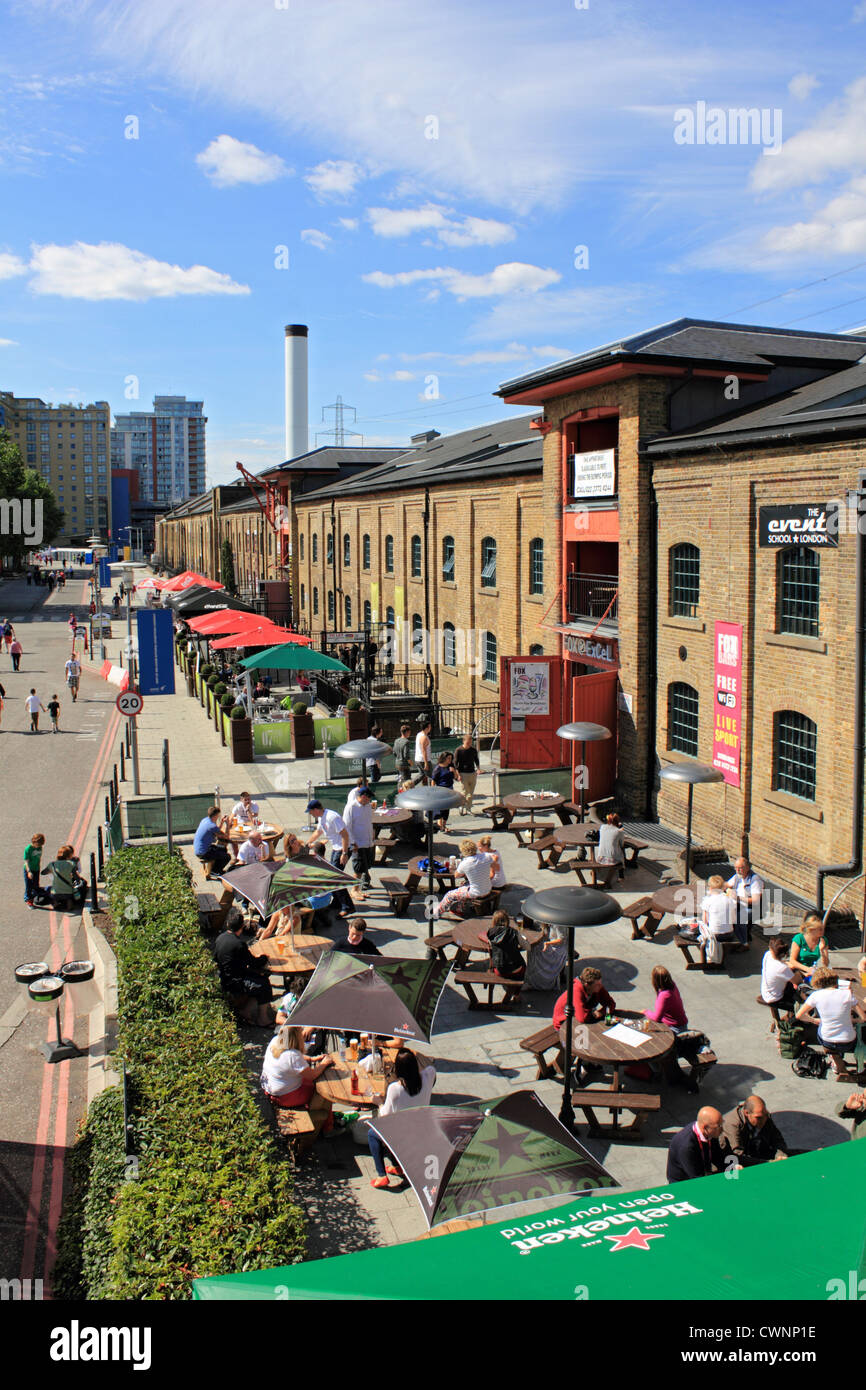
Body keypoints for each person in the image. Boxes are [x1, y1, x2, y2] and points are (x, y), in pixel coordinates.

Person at [368, 1048, 437, 1188]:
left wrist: (379, 1102)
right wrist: (414, 1053)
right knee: (392, 1129)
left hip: (402, 1133)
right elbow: (430, 1063)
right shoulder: (429, 1075)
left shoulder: (395, 1089)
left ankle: (382, 1175)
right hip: (422, 1128)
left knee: (372, 1134)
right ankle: (399, 1167)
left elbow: (384, 1115)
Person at [260, 1025, 333, 1153]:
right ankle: (327, 1127)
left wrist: (310, 1059)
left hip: (271, 1090)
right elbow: (313, 1074)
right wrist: (324, 1064)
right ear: (296, 1036)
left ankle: (325, 1120)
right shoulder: (292, 1056)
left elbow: (295, 1058)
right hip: (286, 1097)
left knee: (312, 1084)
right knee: (323, 1091)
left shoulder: (275, 1041)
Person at [796, 968, 866, 1079]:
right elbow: (863, 1018)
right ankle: (849, 1062)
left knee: (823, 1029)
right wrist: (851, 1020)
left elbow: (799, 1015)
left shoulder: (816, 995)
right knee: (852, 1032)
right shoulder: (847, 994)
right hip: (848, 1041)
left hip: (827, 1040)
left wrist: (815, 1020)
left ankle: (836, 1062)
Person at [214, 918, 274, 1026]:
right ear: (241, 927)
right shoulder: (239, 944)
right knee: (264, 984)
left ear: (228, 924)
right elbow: (254, 963)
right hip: (235, 981)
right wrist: (264, 957)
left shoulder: (220, 938)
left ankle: (245, 1012)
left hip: (223, 976)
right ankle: (262, 1019)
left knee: (259, 977)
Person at [305, 799, 353, 915]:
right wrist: (307, 843)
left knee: (334, 877)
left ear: (316, 810)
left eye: (311, 812)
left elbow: (345, 835)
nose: (311, 815)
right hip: (336, 848)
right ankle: (337, 902)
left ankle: (347, 906)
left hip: (342, 849)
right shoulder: (321, 818)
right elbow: (318, 832)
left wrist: (344, 853)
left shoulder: (332, 817)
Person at [666, 1107, 733, 1182]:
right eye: (719, 1126)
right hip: (683, 1183)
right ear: (705, 1127)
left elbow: (717, 1157)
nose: (722, 1129)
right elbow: (696, 1178)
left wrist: (732, 1167)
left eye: (722, 1124)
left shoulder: (711, 1133)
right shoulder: (686, 1147)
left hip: (702, 1172)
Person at [722, 1096, 789, 1167]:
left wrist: (780, 1156)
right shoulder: (732, 1125)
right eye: (759, 1118)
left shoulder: (763, 1116)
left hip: (761, 1154)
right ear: (746, 1113)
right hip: (740, 1162)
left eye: (765, 1115)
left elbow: (777, 1140)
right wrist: (767, 1163)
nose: (763, 1121)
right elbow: (738, 1155)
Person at [433, 839, 493, 918]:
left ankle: (437, 912)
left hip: (477, 892)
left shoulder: (465, 863)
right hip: (488, 888)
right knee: (463, 886)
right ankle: (459, 909)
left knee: (449, 895)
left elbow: (456, 875)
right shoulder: (486, 856)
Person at [552, 966, 616, 1030]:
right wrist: (594, 1013)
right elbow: (582, 1018)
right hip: (564, 1024)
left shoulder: (597, 988)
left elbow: (611, 1003)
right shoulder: (576, 990)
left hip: (580, 1019)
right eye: (597, 984)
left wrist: (601, 1012)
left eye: (600, 983)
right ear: (587, 985)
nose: (600, 986)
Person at [343, 785, 376, 895]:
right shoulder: (351, 807)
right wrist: (352, 843)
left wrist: (372, 835)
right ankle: (354, 890)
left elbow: (368, 822)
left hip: (368, 841)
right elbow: (347, 826)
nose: (369, 800)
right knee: (358, 868)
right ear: (362, 797)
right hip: (358, 843)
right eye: (368, 798)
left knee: (365, 866)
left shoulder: (367, 806)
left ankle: (359, 889)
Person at [726, 856, 764, 945]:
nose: (737, 870)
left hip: (752, 908)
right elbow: (727, 884)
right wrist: (716, 886)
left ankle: (744, 942)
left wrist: (738, 898)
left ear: (747, 868)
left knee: (738, 918)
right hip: (738, 904)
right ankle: (733, 936)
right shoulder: (737, 876)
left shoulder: (755, 880)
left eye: (740, 868)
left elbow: (755, 900)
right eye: (736, 868)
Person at [698, 874, 737, 962]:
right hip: (729, 934)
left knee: (700, 924)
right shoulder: (730, 900)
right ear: (723, 888)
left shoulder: (708, 901)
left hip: (715, 936)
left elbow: (705, 920)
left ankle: (709, 956)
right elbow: (733, 920)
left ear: (710, 888)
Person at [523, 922, 568, 992]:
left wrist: (547, 943)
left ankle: (537, 982)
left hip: (557, 948)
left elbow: (561, 939)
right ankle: (533, 979)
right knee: (532, 948)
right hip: (548, 943)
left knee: (535, 951)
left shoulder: (558, 923)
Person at [760, 936, 799, 1012]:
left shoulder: (768, 955)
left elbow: (779, 965)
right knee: (800, 999)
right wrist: (797, 970)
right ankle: (792, 1019)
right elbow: (797, 981)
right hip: (775, 999)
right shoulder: (783, 968)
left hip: (766, 992)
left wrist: (787, 964)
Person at [644, 965, 689, 1031]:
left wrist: (645, 1012)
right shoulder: (672, 985)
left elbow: (657, 1018)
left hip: (675, 1028)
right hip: (680, 1024)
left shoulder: (664, 995)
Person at [193, 806, 233, 878]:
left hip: (199, 849)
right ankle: (214, 871)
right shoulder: (211, 826)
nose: (219, 817)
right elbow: (226, 836)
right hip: (203, 853)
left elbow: (216, 831)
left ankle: (216, 868)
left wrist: (221, 822)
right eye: (218, 815)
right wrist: (227, 824)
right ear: (216, 815)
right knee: (227, 857)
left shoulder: (205, 820)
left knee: (223, 849)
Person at [43, 843, 84, 910]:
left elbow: (43, 872)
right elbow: (78, 879)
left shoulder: (53, 864)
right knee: (70, 892)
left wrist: (52, 872)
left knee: (49, 889)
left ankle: (55, 902)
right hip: (68, 893)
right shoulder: (71, 864)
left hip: (55, 893)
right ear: (69, 855)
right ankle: (69, 905)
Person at [487, 910, 526, 980]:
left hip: (500, 970)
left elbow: (490, 945)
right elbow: (527, 947)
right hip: (517, 969)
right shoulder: (514, 932)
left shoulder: (490, 932)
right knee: (524, 966)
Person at [454, 734, 480, 814]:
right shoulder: (459, 750)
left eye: (470, 742)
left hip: (472, 772)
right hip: (463, 773)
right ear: (463, 741)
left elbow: (476, 760)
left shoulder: (473, 750)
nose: (469, 744)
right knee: (465, 792)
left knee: (471, 793)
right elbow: (455, 763)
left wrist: (478, 769)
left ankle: (468, 808)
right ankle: (461, 805)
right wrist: (457, 774)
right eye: (467, 742)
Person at [432, 751, 456, 829]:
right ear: (444, 758)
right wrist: (433, 790)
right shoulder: (438, 768)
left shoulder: (450, 766)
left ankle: (444, 824)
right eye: (448, 758)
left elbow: (455, 777)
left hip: (450, 789)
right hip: (441, 789)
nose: (450, 760)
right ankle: (440, 824)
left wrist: (453, 771)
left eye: (451, 759)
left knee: (447, 808)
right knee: (441, 807)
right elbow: (433, 780)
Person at [23, 832, 46, 908]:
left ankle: (33, 895)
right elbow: (26, 862)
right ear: (34, 842)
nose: (39, 846)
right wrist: (29, 871)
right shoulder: (28, 849)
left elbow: (39, 858)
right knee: (29, 885)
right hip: (29, 869)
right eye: (38, 844)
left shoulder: (40, 848)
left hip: (36, 869)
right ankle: (29, 900)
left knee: (36, 884)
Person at [414, 717, 432, 783]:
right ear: (427, 728)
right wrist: (426, 763)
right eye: (430, 726)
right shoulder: (424, 737)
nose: (431, 728)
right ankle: (409, 785)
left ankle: (409, 785)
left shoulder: (419, 734)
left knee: (422, 775)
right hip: (423, 760)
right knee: (431, 776)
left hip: (419, 759)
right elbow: (423, 750)